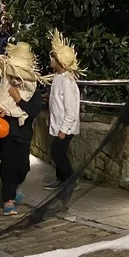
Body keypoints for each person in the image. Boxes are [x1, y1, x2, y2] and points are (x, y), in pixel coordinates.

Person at [0, 43, 44, 216]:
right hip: (6, 128)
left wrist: (19, 100)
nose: (14, 80)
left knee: (23, 166)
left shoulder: (33, 88)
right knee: (8, 163)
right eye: (13, 75)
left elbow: (35, 111)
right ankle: (8, 199)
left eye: (19, 76)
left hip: (24, 130)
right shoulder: (2, 83)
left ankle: (16, 186)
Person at [44, 29, 82, 190]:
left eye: (53, 57)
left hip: (65, 126)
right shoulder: (58, 78)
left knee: (57, 152)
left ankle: (70, 179)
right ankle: (61, 179)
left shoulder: (67, 81)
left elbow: (70, 108)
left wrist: (64, 129)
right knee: (57, 152)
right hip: (58, 124)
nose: (51, 60)